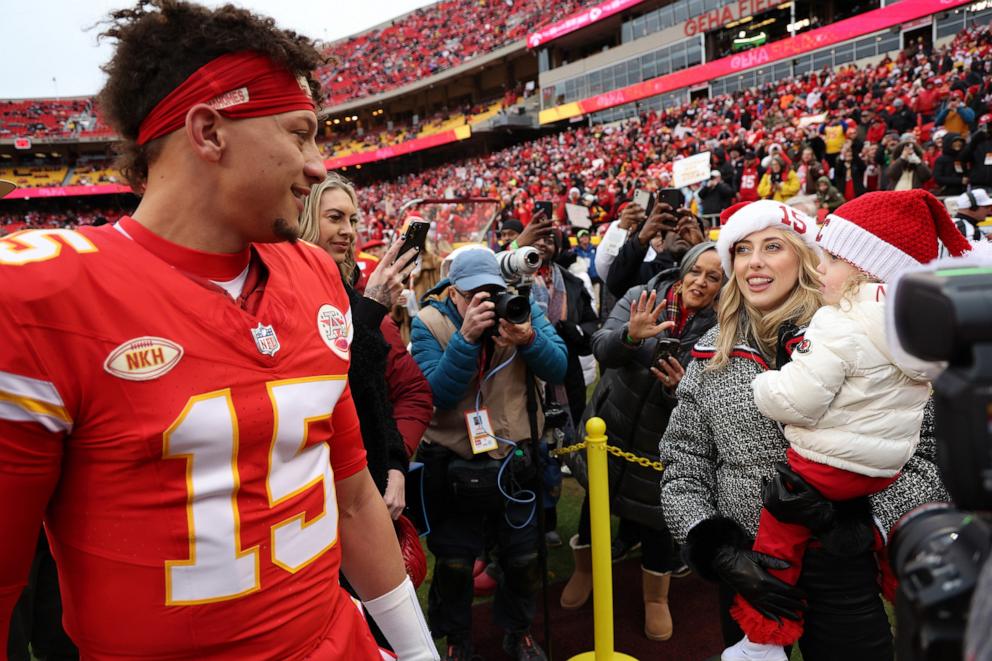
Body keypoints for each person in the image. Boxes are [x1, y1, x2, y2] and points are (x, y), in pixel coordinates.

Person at [0, 2, 437, 659]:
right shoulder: (44, 296)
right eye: (300, 133)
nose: (318, 165)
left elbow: (350, 500)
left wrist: (417, 652)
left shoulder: (315, 277)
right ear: (209, 132)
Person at [660, 199, 948, 660]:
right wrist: (716, 548)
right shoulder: (708, 355)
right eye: (742, 250)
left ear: (806, 256)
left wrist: (857, 521)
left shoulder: (868, 335)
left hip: (841, 565)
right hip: (750, 569)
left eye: (772, 246)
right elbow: (683, 462)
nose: (754, 261)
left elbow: (930, 454)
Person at [411, 249, 567, 661]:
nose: (487, 301)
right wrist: (464, 340)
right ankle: (457, 639)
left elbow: (558, 368)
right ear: (454, 294)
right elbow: (435, 395)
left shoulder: (523, 311)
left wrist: (528, 339)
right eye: (474, 295)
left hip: (515, 458)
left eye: (492, 292)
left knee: (523, 559)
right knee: (456, 564)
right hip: (452, 462)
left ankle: (518, 631)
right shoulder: (429, 322)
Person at [562, 242, 723, 641]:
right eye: (696, 271)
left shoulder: (725, 329)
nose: (700, 282)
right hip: (611, 430)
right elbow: (601, 347)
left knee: (656, 519)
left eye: (714, 277)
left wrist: (679, 390)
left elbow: (712, 400)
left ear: (724, 285)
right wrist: (629, 338)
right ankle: (584, 570)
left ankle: (656, 598)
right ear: (683, 270)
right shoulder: (641, 296)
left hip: (663, 446)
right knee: (594, 504)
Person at [606, 203, 706, 297]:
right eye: (675, 228)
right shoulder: (646, 272)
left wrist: (702, 248)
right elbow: (615, 285)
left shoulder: (708, 274)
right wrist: (640, 239)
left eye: (688, 229)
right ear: (662, 241)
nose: (680, 233)